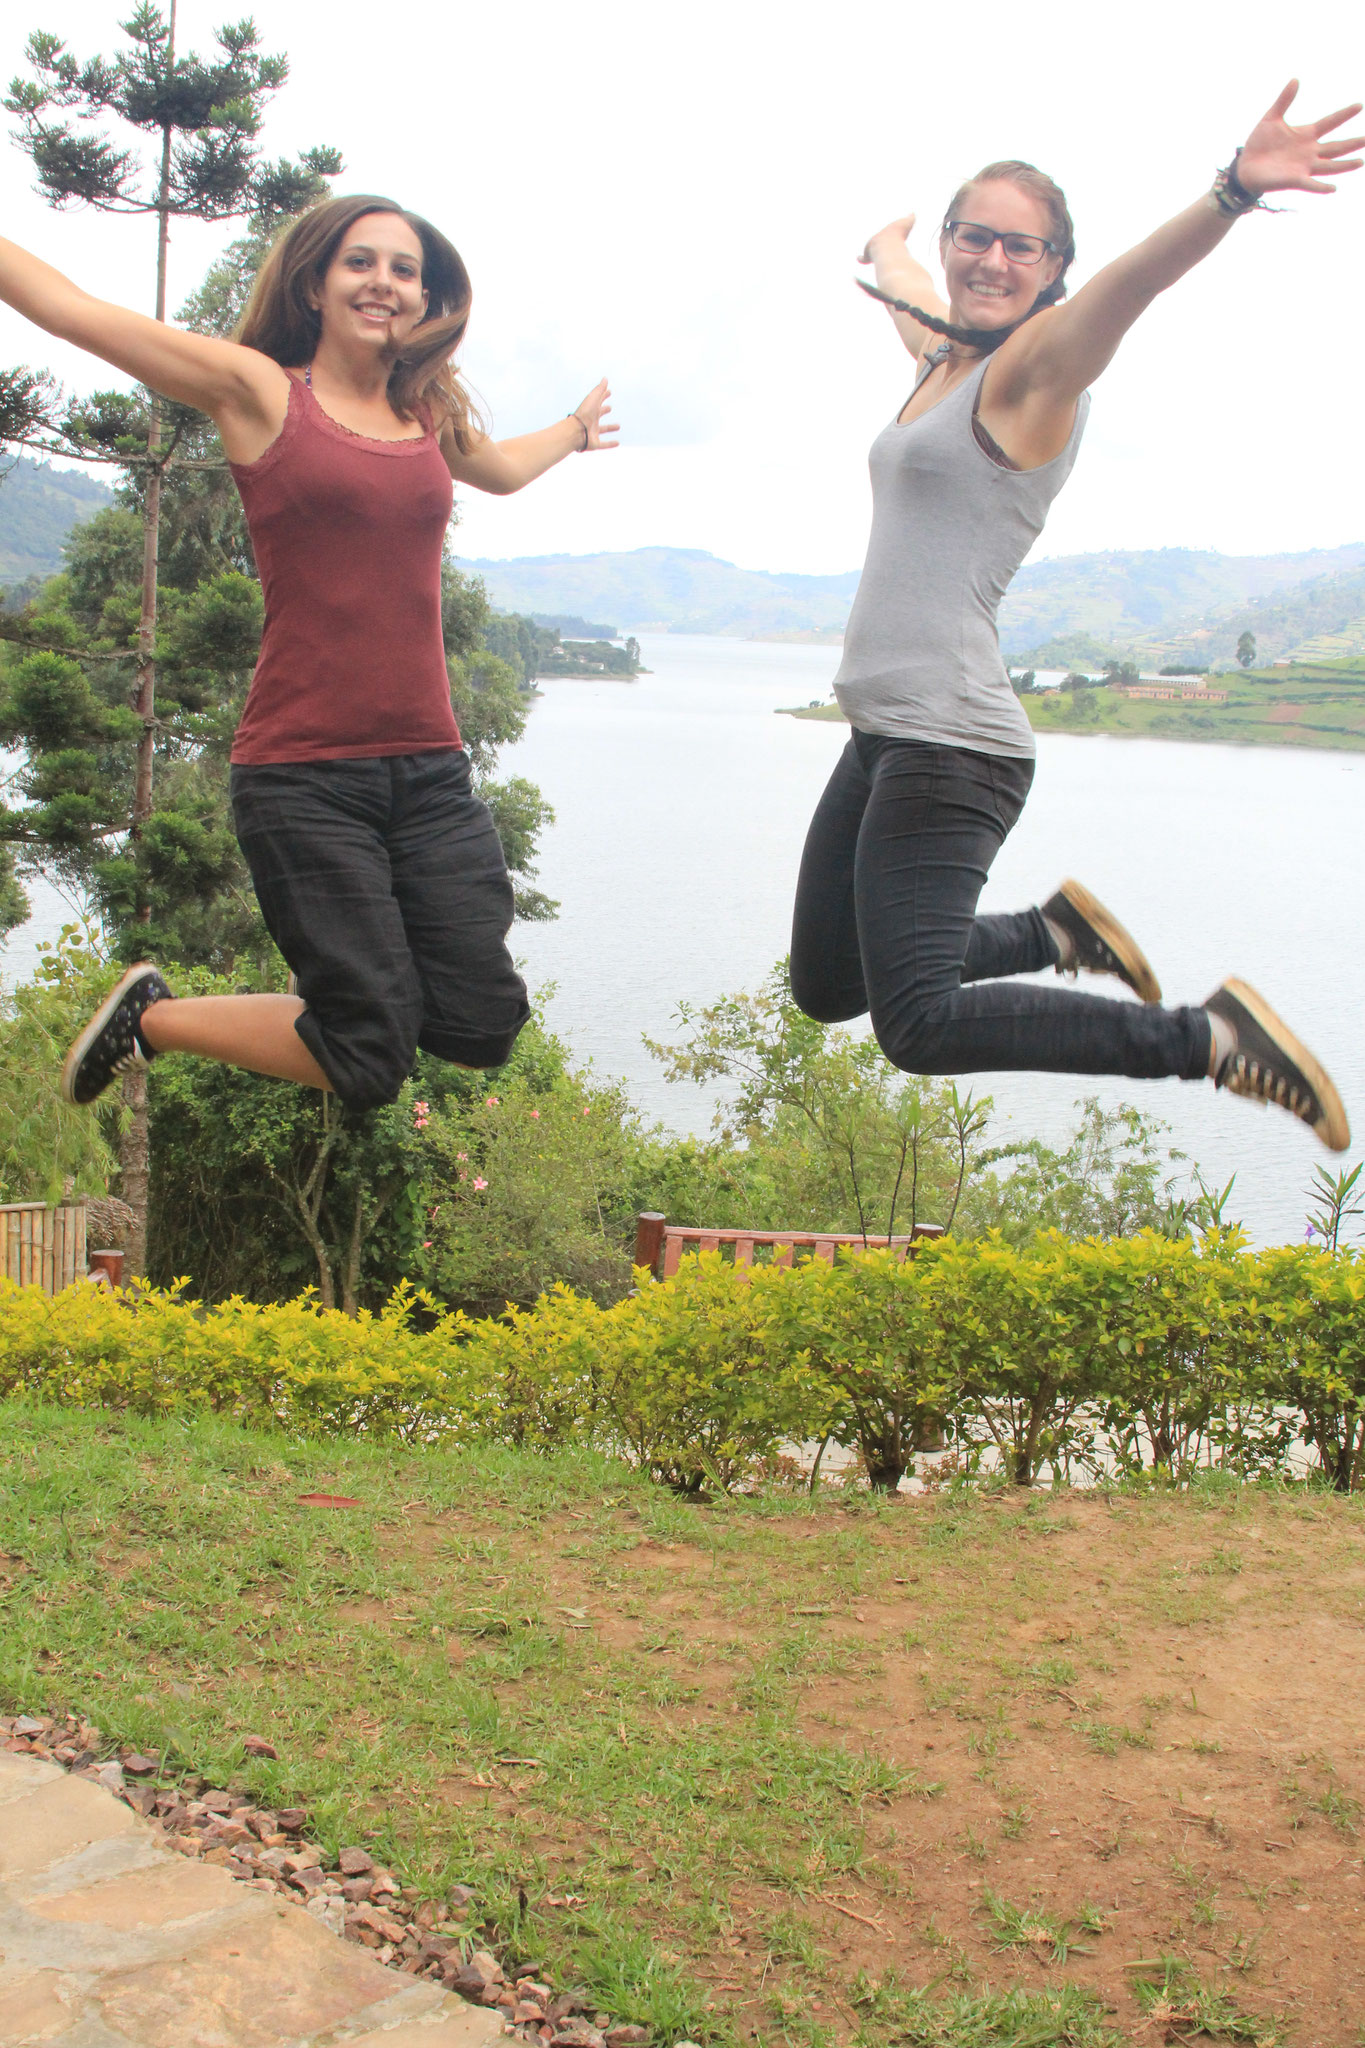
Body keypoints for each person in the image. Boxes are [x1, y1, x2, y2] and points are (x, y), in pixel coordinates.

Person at [791, 83, 1361, 1152]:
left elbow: (1126, 288)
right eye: (976, 238)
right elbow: (910, 281)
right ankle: (1056, 930)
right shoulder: (939, 358)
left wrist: (1231, 191)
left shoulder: (1032, 372)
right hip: (882, 734)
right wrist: (889, 243)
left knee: (913, 1025)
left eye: (1024, 248)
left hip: (953, 744)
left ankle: (1208, 1035)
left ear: (1053, 269)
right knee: (827, 983)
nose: (993, 261)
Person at [0, 194, 617, 1111]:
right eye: (359, 263)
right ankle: (153, 1019)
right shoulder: (259, 392)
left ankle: (318, 1003)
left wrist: (570, 431)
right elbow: (75, 310)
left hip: (432, 774)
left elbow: (497, 471)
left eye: (404, 270)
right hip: (305, 775)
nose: (384, 283)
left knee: (481, 1026)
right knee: (369, 1057)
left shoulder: (425, 413)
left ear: (425, 296)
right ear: (317, 283)